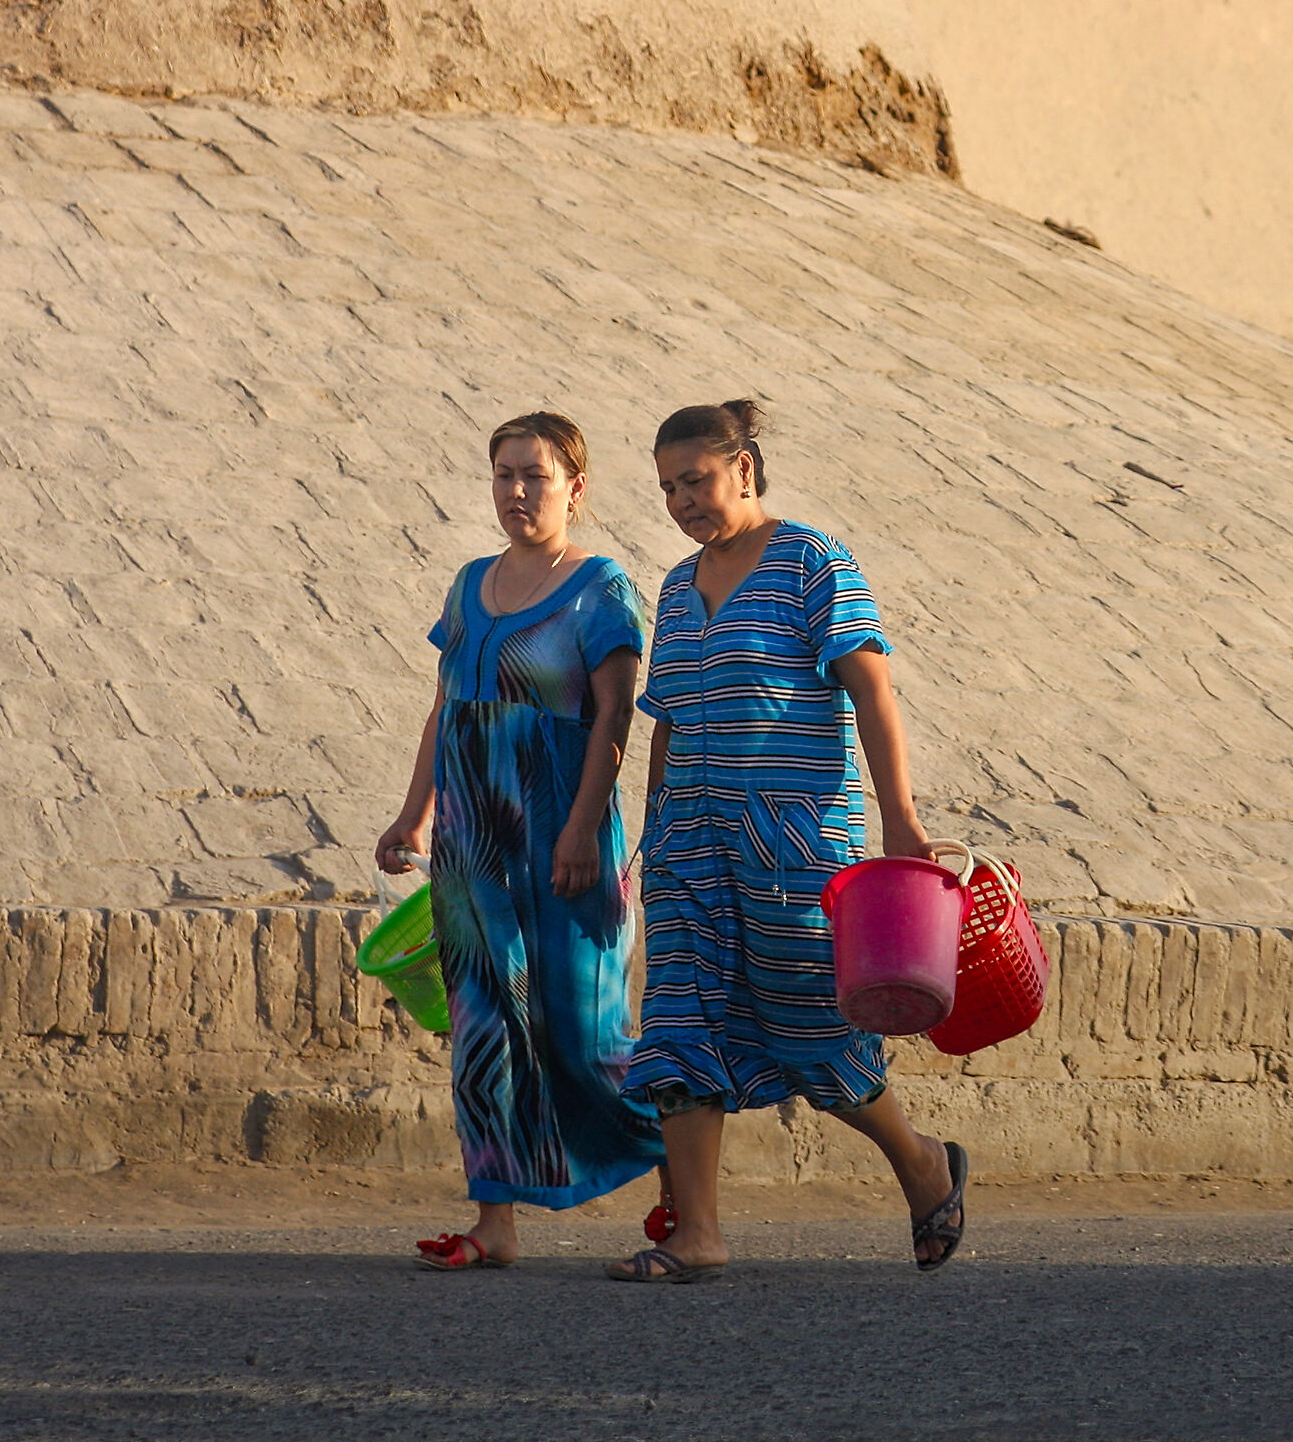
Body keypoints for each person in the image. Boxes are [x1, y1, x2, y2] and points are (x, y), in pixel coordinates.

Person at [606, 399, 968, 1284]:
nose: (683, 500)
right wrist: (650, 838)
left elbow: (872, 693)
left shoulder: (813, 561)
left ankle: (923, 1164)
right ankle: (698, 1234)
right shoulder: (677, 587)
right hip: (691, 840)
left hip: (795, 841)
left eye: (696, 479)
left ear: (745, 467)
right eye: (667, 487)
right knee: (681, 1021)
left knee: (812, 1028)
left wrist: (902, 823)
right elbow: (665, 720)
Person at [376, 410, 667, 1270]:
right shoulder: (468, 584)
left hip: (564, 832)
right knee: (483, 1027)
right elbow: (446, 707)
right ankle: (493, 1225)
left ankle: (682, 1182)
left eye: (534, 475)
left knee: (588, 1032)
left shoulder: (600, 587)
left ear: (575, 488)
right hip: (474, 843)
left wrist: (582, 829)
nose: (515, 491)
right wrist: (413, 813)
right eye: (503, 474)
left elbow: (614, 715)